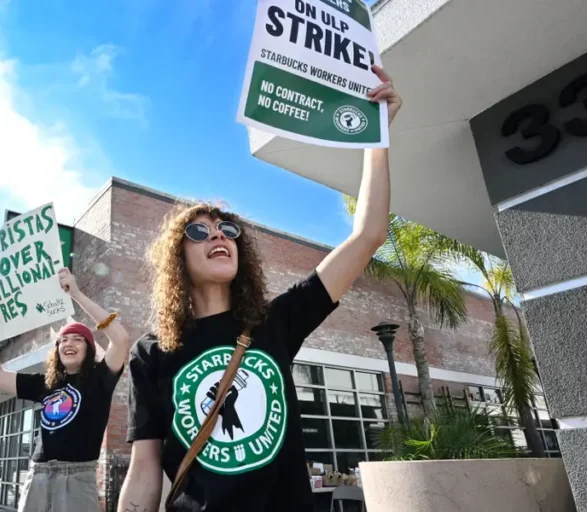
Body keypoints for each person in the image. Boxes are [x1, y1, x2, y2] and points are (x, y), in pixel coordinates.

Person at [116, 66, 402, 512]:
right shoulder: (151, 352)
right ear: (177, 261)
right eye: (199, 232)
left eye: (227, 229)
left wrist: (375, 141)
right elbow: (145, 467)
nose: (219, 236)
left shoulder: (276, 322)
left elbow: (368, 236)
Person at [0, 268, 132, 512]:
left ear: (89, 348)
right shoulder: (46, 383)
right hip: (37, 477)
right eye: (62, 341)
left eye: (77, 339)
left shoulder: (100, 378)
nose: (68, 343)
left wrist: (77, 294)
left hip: (77, 480)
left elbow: (121, 339)